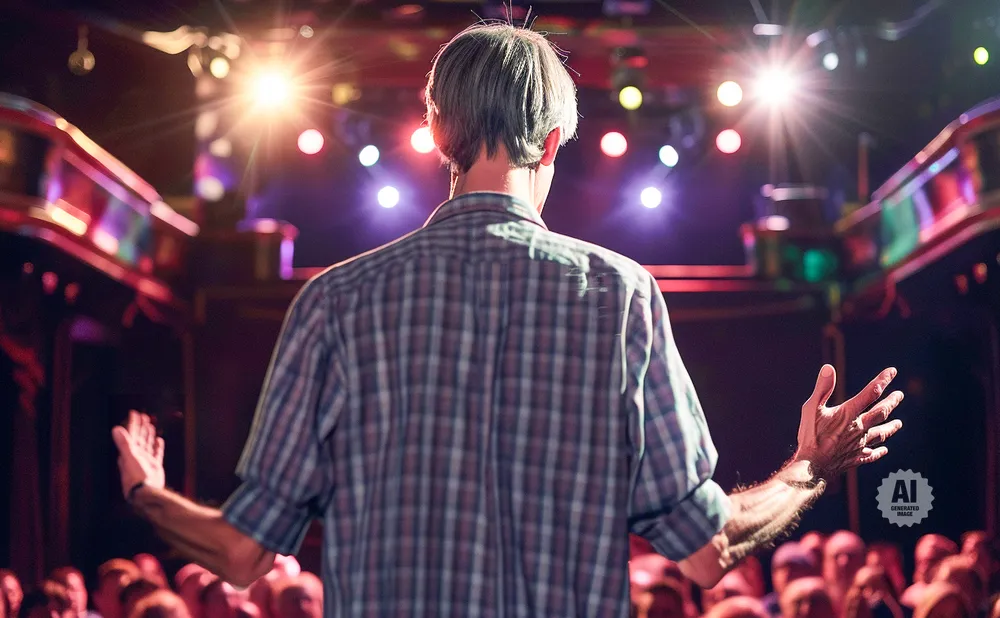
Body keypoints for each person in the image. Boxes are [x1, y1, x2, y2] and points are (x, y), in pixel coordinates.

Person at [110, 22, 905, 616]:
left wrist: (148, 493)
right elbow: (706, 553)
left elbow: (244, 554)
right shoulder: (621, 295)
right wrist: (809, 466)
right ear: (554, 139)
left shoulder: (333, 302)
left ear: (438, 134)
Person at [902, 535, 959, 608]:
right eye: (920, 561)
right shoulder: (911, 596)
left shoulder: (954, 596)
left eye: (930, 561)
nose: (924, 568)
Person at [762, 543, 819, 617]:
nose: (787, 574)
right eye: (781, 568)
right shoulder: (763, 609)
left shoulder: (820, 605)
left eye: (794, 568)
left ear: (809, 573)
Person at [823, 530, 867, 615]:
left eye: (851, 556)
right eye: (836, 556)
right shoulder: (815, 603)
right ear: (825, 563)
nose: (844, 562)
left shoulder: (873, 605)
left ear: (863, 561)